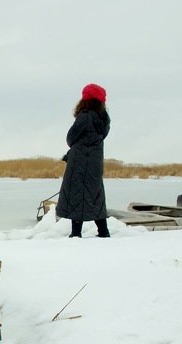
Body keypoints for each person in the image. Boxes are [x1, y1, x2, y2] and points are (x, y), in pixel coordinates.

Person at [55, 83, 111, 238]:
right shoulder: (104, 119)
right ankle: (103, 231)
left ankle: (76, 233)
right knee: (96, 194)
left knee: (76, 194)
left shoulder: (85, 117)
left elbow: (71, 137)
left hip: (79, 162)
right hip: (94, 163)